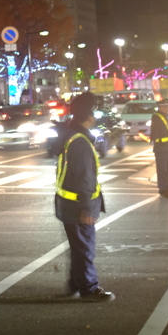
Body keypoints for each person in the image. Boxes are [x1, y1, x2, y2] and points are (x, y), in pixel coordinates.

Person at [55, 92, 114, 302]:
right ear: (88, 115)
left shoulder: (70, 136)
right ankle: (89, 288)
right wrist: (88, 209)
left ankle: (75, 284)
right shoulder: (80, 141)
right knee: (84, 249)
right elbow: (85, 179)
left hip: (67, 203)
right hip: (77, 205)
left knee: (78, 248)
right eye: (95, 111)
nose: (97, 116)